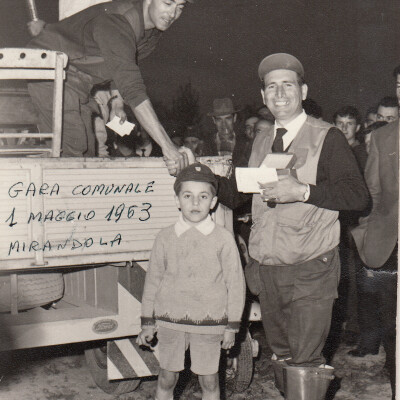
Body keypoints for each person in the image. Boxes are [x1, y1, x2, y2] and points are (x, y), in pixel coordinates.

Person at [214, 53, 369, 399]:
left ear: (303, 90)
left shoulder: (327, 137)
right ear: (264, 95)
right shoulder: (260, 138)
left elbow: (357, 196)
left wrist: (301, 190)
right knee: (282, 356)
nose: (279, 93)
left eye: (288, 85)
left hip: (311, 267)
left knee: (305, 361)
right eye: (272, 86)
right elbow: (238, 194)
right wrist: (195, 173)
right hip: (269, 269)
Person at [26, 0, 191, 174]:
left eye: (180, 7)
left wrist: (117, 103)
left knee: (87, 151)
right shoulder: (116, 21)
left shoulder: (152, 34)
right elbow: (134, 90)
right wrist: (167, 145)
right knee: (74, 147)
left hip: (79, 79)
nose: (172, 14)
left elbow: (122, 66)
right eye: (168, 3)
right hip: (50, 70)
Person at [138, 163, 245, 400]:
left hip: (210, 322)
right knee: (167, 377)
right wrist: (147, 321)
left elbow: (236, 285)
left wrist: (232, 326)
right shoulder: (164, 237)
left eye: (203, 196)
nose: (195, 203)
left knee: (209, 381)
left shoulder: (224, 239)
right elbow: (153, 281)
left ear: (214, 201)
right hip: (169, 321)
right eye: (188, 196)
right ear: (177, 200)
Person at [351, 119, 398, 400]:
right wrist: (366, 238)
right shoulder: (382, 137)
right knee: (393, 327)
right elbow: (373, 195)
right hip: (391, 250)